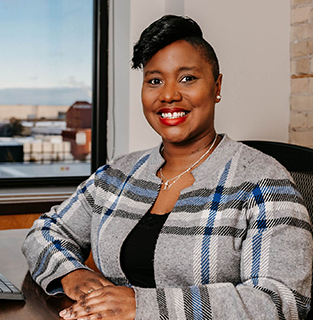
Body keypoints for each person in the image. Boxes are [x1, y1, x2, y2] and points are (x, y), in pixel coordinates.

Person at [22, 15, 313, 319]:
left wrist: (141, 306)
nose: (168, 95)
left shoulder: (263, 181)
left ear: (216, 86)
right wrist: (73, 274)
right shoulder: (119, 174)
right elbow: (45, 231)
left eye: (187, 78)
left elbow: (280, 301)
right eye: (155, 81)